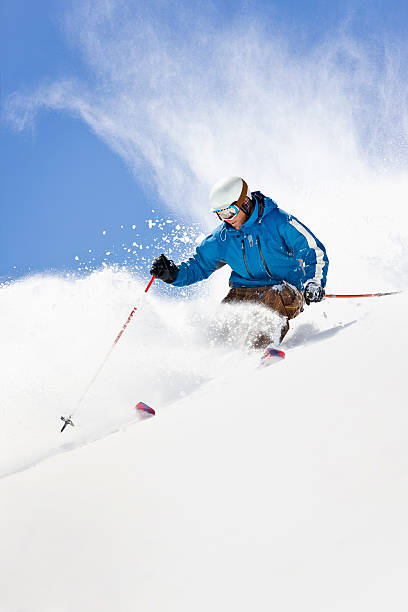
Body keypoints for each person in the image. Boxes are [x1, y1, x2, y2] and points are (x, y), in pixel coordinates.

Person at [150, 176, 328, 348]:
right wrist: (173, 274)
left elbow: (312, 249)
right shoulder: (223, 237)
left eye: (229, 212)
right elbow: (199, 265)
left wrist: (313, 283)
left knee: (267, 310)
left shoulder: (278, 222)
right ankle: (216, 368)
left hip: (285, 289)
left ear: (245, 202)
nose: (227, 219)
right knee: (222, 327)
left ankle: (256, 358)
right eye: (220, 214)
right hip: (243, 291)